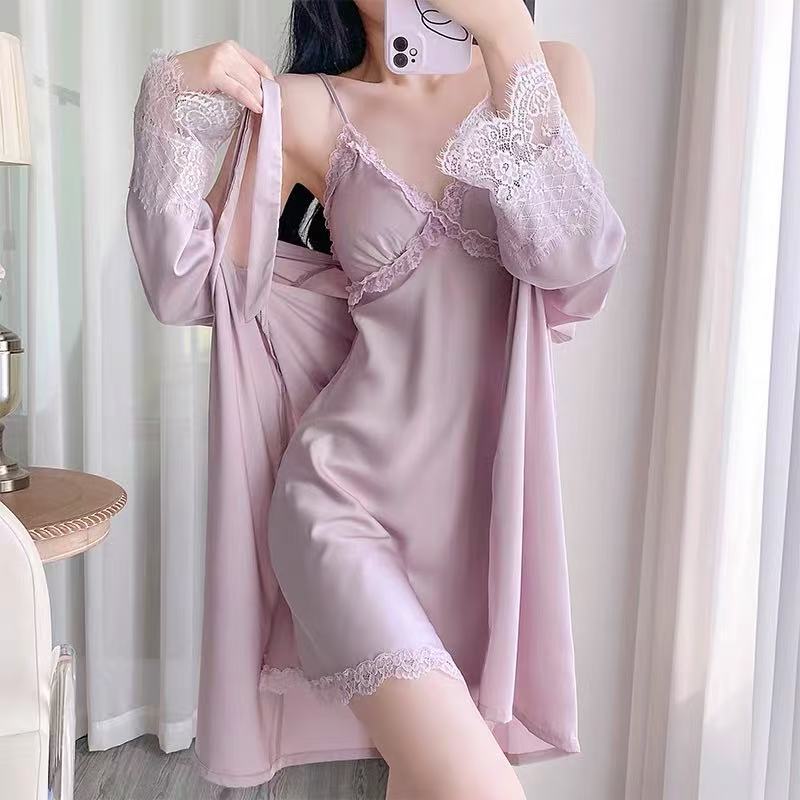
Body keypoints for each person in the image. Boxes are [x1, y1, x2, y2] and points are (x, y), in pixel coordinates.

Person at [126, 1, 627, 797]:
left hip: (478, 530)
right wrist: (170, 98)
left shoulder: (548, 68)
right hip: (339, 507)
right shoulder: (309, 106)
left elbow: (575, 267)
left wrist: (505, 33)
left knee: (427, 779)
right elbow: (184, 284)